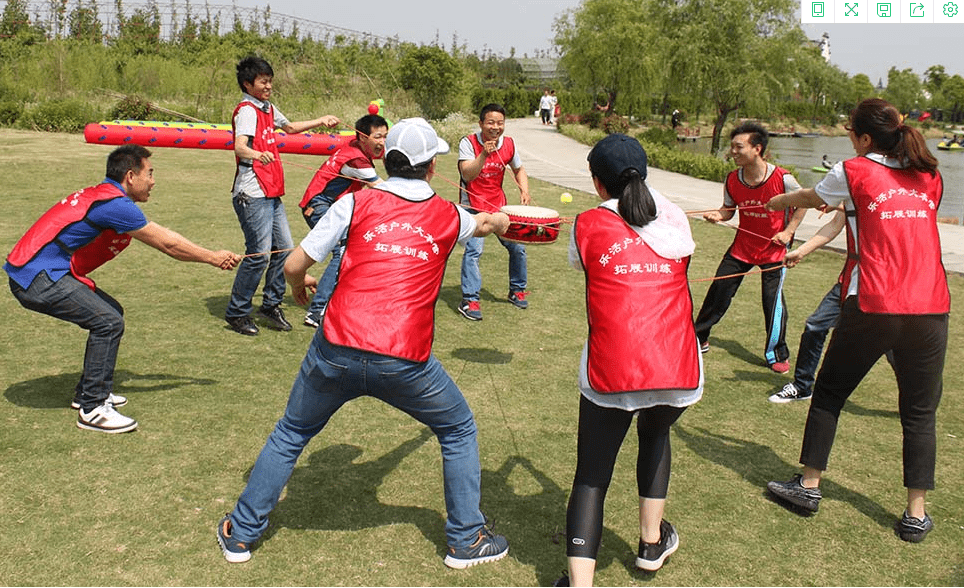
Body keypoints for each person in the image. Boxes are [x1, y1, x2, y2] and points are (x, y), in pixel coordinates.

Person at [216, 118, 513, 568]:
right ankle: (466, 539)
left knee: (291, 433)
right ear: (432, 166)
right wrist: (506, 219)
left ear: (388, 159)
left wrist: (298, 288)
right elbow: (486, 223)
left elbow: (295, 263)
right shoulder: (450, 215)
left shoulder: (355, 202)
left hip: (335, 348)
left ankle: (240, 533)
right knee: (457, 429)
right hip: (404, 360)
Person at [765, 98, 948, 544]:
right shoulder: (930, 175)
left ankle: (808, 486)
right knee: (920, 412)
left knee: (828, 393)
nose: (848, 137)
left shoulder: (854, 170)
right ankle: (915, 514)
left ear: (865, 138)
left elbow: (810, 198)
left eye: (850, 131)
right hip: (931, 307)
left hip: (874, 302)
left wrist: (778, 199)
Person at [4, 145, 240, 433]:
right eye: (149, 173)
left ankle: (88, 392)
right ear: (131, 175)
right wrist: (213, 257)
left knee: (111, 312)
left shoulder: (103, 194)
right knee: (108, 322)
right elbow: (168, 243)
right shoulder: (114, 204)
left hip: (34, 271)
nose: (153, 181)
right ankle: (93, 408)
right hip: (35, 278)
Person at [559, 134, 703, 586]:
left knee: (591, 476)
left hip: (613, 369)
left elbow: (584, 265)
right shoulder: (676, 217)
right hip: (675, 365)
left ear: (598, 184)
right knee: (656, 435)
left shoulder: (586, 224)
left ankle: (584, 581)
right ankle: (650, 543)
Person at [224, 55, 340, 336]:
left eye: (270, 81)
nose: (268, 86)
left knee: (285, 250)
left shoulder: (267, 108)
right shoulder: (247, 111)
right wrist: (256, 154)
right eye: (263, 82)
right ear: (247, 84)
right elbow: (240, 147)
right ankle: (238, 312)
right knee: (259, 255)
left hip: (270, 191)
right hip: (251, 193)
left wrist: (320, 121)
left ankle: (271, 304)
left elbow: (289, 129)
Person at [693, 122, 803, 373]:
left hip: (774, 249)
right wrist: (718, 216)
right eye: (732, 146)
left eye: (738, 147)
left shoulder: (782, 178)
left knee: (771, 301)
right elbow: (728, 210)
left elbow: (803, 202)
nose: (733, 151)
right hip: (742, 246)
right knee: (719, 287)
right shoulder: (732, 179)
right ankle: (700, 338)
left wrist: (788, 232)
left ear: (757, 148)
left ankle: (777, 353)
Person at [297, 113, 388, 328]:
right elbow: (382, 189)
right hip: (319, 207)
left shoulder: (354, 145)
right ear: (363, 137)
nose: (382, 142)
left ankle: (341, 301)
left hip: (330, 207)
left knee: (355, 248)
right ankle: (317, 311)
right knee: (342, 251)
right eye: (378, 137)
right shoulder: (356, 160)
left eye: (385, 137)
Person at [457, 103, 531, 321]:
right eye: (490, 122)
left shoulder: (508, 144)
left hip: (499, 208)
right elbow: (467, 174)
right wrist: (483, 155)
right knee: (473, 252)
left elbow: (519, 169)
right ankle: (469, 300)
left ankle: (517, 290)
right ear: (481, 124)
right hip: (472, 207)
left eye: (500, 123)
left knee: (518, 247)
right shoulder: (468, 142)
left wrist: (524, 190)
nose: (495, 127)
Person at [768, 208, 844, 403]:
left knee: (888, 341)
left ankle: (919, 395)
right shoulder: (853, 194)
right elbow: (834, 225)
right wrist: (801, 251)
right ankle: (802, 386)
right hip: (850, 280)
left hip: (885, 285)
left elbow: (807, 198)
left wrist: (779, 201)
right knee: (815, 325)